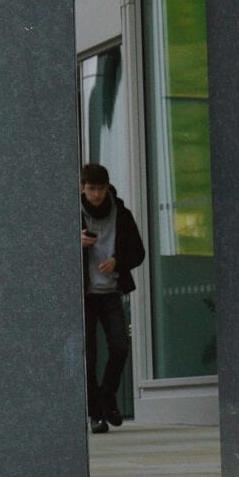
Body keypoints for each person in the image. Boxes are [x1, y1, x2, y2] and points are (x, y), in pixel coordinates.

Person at [81, 163, 146, 434]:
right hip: (83, 295)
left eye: (101, 188)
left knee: (120, 347)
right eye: (91, 189)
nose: (96, 194)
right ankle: (95, 413)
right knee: (89, 356)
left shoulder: (121, 214)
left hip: (110, 292)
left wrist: (117, 262)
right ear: (82, 189)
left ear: (108, 188)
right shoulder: (72, 214)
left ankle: (108, 394)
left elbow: (139, 252)